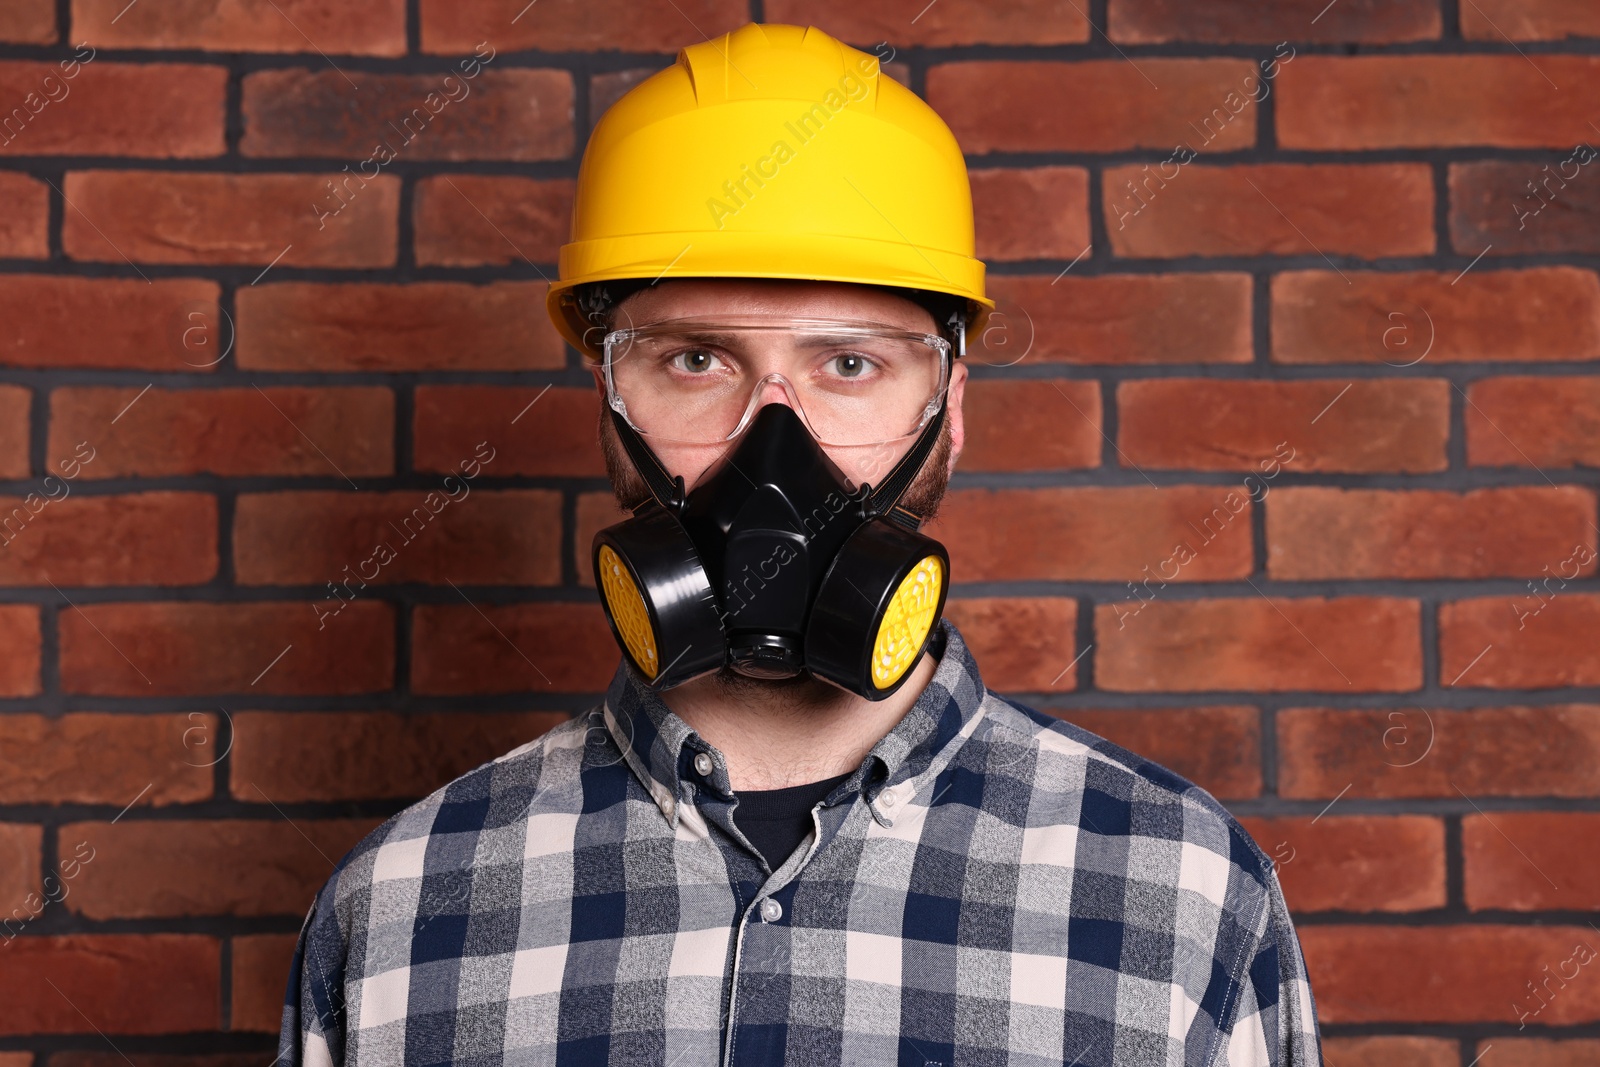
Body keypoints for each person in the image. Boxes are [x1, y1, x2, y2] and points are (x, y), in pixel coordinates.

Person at [278, 21, 1323, 1067]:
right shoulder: (399, 909)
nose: (773, 442)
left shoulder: (1184, 896)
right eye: (694, 359)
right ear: (604, 401)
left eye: (852, 365)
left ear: (948, 407)